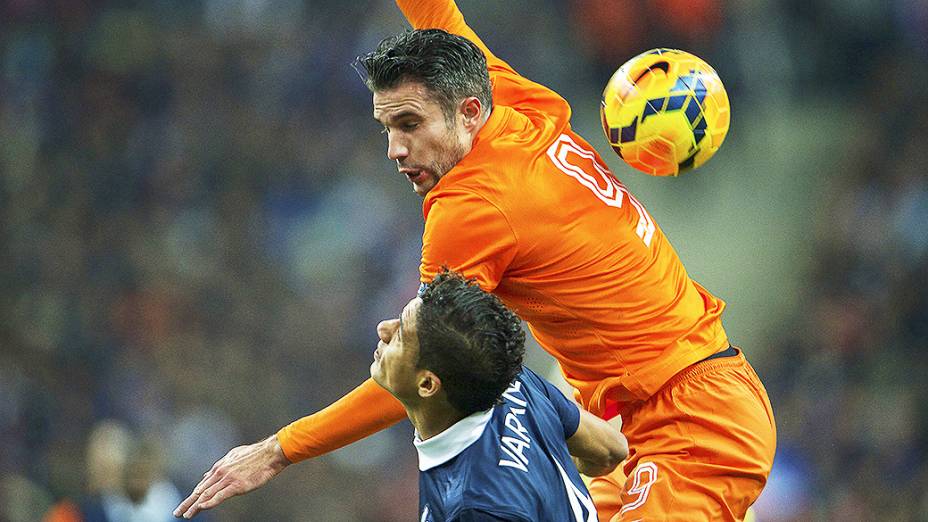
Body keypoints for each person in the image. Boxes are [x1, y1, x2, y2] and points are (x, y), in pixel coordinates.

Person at [175, 1, 776, 520]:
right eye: (386, 127)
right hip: (659, 415)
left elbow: (416, 375)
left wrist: (278, 449)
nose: (395, 149)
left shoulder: (471, 208)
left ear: (466, 113)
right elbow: (440, 17)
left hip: (694, 424)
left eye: (409, 125)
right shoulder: (512, 104)